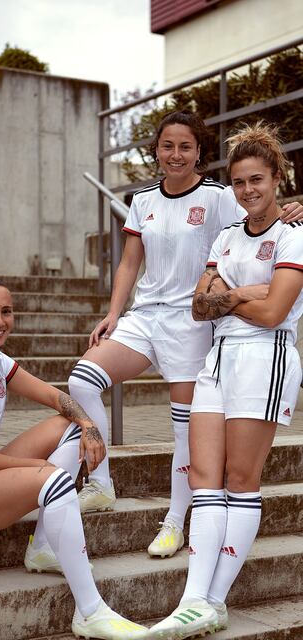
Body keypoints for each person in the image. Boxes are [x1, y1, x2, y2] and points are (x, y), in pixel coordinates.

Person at [67, 110, 303, 558]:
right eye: (167, 146)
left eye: (186, 147)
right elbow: (130, 263)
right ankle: (100, 484)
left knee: (185, 431)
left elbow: (262, 212)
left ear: (199, 153)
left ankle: (175, 521)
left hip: (192, 322)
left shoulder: (219, 196)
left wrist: (297, 208)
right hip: (146, 315)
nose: (175, 155)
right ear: (156, 151)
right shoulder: (141, 200)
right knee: (82, 379)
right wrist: (114, 313)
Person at [149, 121, 303, 639]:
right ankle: (194, 601)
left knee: (240, 481)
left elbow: (278, 310)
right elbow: (198, 306)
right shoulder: (226, 235)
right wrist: (247, 293)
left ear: (277, 178)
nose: (247, 191)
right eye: (238, 183)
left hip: (267, 358)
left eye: (257, 180)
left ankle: (215, 598)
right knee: (203, 481)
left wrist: (233, 295)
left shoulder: (294, 233)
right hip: (216, 361)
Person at [0, 276, 148, 640]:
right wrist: (41, 468)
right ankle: (91, 612)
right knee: (52, 479)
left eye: (6, 312)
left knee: (68, 427)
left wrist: (87, 424)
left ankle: (41, 547)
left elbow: (56, 399)